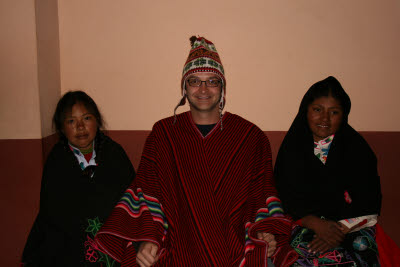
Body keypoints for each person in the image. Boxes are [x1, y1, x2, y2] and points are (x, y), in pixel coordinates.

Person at [95, 36, 298, 266]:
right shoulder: (163, 134)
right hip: (176, 247)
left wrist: (265, 232)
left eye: (212, 81)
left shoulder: (250, 137)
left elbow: (261, 195)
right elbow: (146, 191)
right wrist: (146, 240)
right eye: (194, 80)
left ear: (222, 87)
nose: (203, 89)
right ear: (184, 87)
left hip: (235, 248)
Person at [274, 76, 382, 266]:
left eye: (334, 112)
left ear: (344, 115)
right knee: (301, 253)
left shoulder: (357, 150)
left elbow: (369, 201)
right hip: (305, 225)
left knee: (362, 246)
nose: (324, 118)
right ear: (305, 111)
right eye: (317, 110)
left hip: (351, 228)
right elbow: (285, 198)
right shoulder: (292, 149)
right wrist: (315, 224)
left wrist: (337, 231)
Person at [21, 91, 135, 266]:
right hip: (69, 251)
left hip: (114, 247)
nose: (80, 127)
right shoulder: (57, 161)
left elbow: (132, 201)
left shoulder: (114, 154)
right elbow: (52, 215)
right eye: (71, 121)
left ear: (97, 120)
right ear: (61, 127)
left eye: (87, 118)